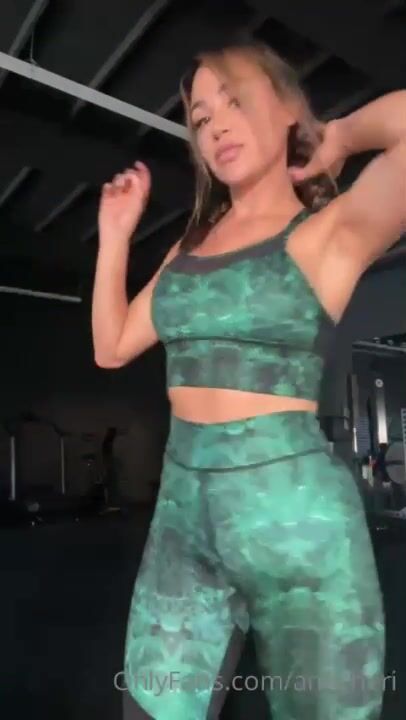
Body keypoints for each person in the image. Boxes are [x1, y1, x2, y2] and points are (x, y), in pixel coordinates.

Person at [92, 39, 406, 720]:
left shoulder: (329, 233)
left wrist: (338, 136)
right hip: (182, 518)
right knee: (149, 708)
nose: (216, 126)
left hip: (297, 528)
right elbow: (112, 347)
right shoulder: (188, 250)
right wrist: (115, 237)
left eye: (234, 100)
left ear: (287, 107)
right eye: (201, 118)